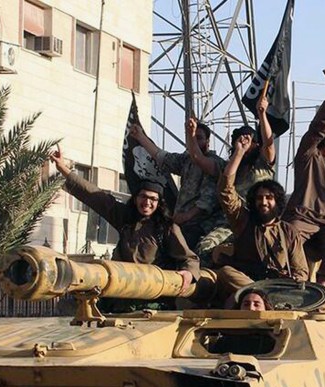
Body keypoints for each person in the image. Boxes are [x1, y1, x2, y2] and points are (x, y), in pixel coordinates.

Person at [50, 147, 199, 309]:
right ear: (135, 199)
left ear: (158, 203)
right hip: (119, 296)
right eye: (143, 196)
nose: (147, 203)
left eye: (152, 199)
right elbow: (95, 196)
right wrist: (63, 169)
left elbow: (189, 258)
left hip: (151, 301)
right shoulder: (125, 218)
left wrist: (188, 274)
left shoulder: (166, 228)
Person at [214, 133, 308, 305]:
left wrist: (294, 278)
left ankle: (267, 297)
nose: (263, 202)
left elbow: (301, 270)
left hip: (279, 287)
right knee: (225, 272)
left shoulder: (288, 231)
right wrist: (239, 153)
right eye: (259, 198)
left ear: (277, 202)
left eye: (269, 198)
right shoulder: (243, 220)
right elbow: (225, 191)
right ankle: (262, 295)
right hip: (246, 284)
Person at [283, 69, 325, 287]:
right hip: (303, 216)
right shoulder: (308, 157)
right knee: (288, 235)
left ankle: (322, 288)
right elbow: (316, 128)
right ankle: (295, 280)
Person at [191, 96, 277, 259]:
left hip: (258, 219)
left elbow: (269, 144)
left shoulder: (262, 164)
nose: (244, 144)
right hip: (231, 221)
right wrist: (190, 134)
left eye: (248, 140)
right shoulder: (229, 167)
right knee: (204, 248)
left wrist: (262, 114)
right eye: (240, 140)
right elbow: (198, 158)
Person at [129, 119, 225, 255]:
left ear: (207, 142)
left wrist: (186, 216)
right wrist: (140, 136)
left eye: (199, 138)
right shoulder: (186, 161)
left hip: (200, 227)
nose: (195, 141)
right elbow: (161, 156)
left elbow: (207, 201)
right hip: (181, 224)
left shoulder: (215, 163)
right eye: (192, 138)